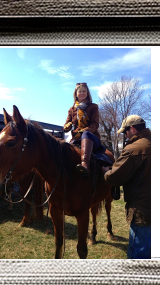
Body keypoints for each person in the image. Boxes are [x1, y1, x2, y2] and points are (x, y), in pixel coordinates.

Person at [102, 115, 151, 259]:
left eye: (125, 132)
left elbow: (115, 177)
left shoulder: (134, 148)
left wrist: (106, 172)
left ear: (133, 129)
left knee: (138, 257)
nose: (125, 135)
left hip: (143, 210)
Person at [63, 82, 102, 177]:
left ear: (87, 93)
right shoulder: (71, 110)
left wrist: (83, 131)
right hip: (76, 138)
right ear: (76, 93)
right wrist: (66, 126)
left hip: (91, 137)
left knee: (86, 134)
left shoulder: (93, 107)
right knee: (64, 149)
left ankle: (85, 164)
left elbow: (95, 124)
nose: (82, 93)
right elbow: (65, 126)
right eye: (79, 91)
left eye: (84, 91)